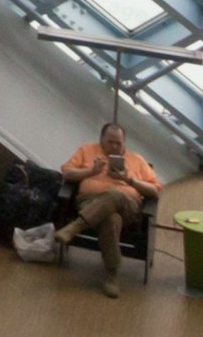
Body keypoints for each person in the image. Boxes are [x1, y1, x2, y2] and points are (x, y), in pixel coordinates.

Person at [56, 123, 158, 297]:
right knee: (110, 219)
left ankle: (76, 226)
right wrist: (90, 171)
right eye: (110, 142)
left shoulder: (137, 160)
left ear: (124, 143)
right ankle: (112, 275)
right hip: (90, 203)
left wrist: (129, 180)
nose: (114, 147)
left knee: (113, 193)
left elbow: (155, 190)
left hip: (127, 206)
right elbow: (67, 174)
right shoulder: (87, 151)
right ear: (101, 139)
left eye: (119, 143)